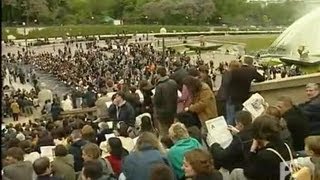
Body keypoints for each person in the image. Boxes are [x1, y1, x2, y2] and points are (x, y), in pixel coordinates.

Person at [230, 115, 292, 180]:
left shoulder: (265, 155)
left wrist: (252, 151)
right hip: (283, 177)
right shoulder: (285, 145)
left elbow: (248, 172)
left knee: (236, 172)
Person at [227, 56, 265, 125]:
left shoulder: (235, 70)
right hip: (244, 97)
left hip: (232, 97)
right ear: (251, 63)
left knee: (230, 119)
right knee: (241, 119)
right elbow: (262, 78)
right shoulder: (251, 71)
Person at [154, 66, 178, 136]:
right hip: (173, 111)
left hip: (162, 114)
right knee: (172, 131)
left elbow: (157, 101)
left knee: (164, 132)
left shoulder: (159, 86)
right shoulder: (173, 82)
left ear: (158, 74)